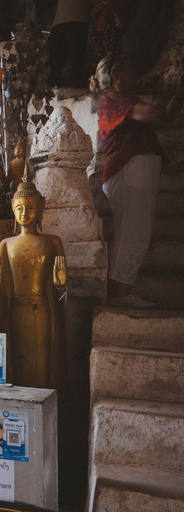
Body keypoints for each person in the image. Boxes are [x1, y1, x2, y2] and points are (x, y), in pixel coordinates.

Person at [92, 55, 184, 307]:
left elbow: (165, 118)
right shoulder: (114, 100)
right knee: (133, 232)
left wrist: (176, 95)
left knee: (136, 231)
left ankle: (121, 290)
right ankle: (120, 294)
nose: (134, 71)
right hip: (129, 169)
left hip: (137, 170)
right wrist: (162, 96)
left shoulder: (126, 101)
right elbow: (155, 113)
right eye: (128, 68)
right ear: (115, 75)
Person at [48, 0, 89, 88]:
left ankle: (76, 90)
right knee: (54, 63)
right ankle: (53, 93)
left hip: (77, 20)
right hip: (60, 23)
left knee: (75, 63)